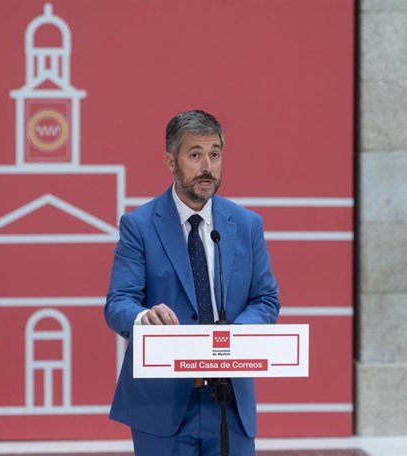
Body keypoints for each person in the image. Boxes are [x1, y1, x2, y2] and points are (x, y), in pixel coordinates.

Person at [105, 109, 280, 455]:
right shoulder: (139, 226)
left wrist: (233, 333)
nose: (207, 167)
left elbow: (266, 301)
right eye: (195, 154)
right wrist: (144, 318)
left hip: (228, 401)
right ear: (171, 162)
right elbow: (118, 303)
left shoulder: (246, 225)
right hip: (161, 404)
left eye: (214, 154)